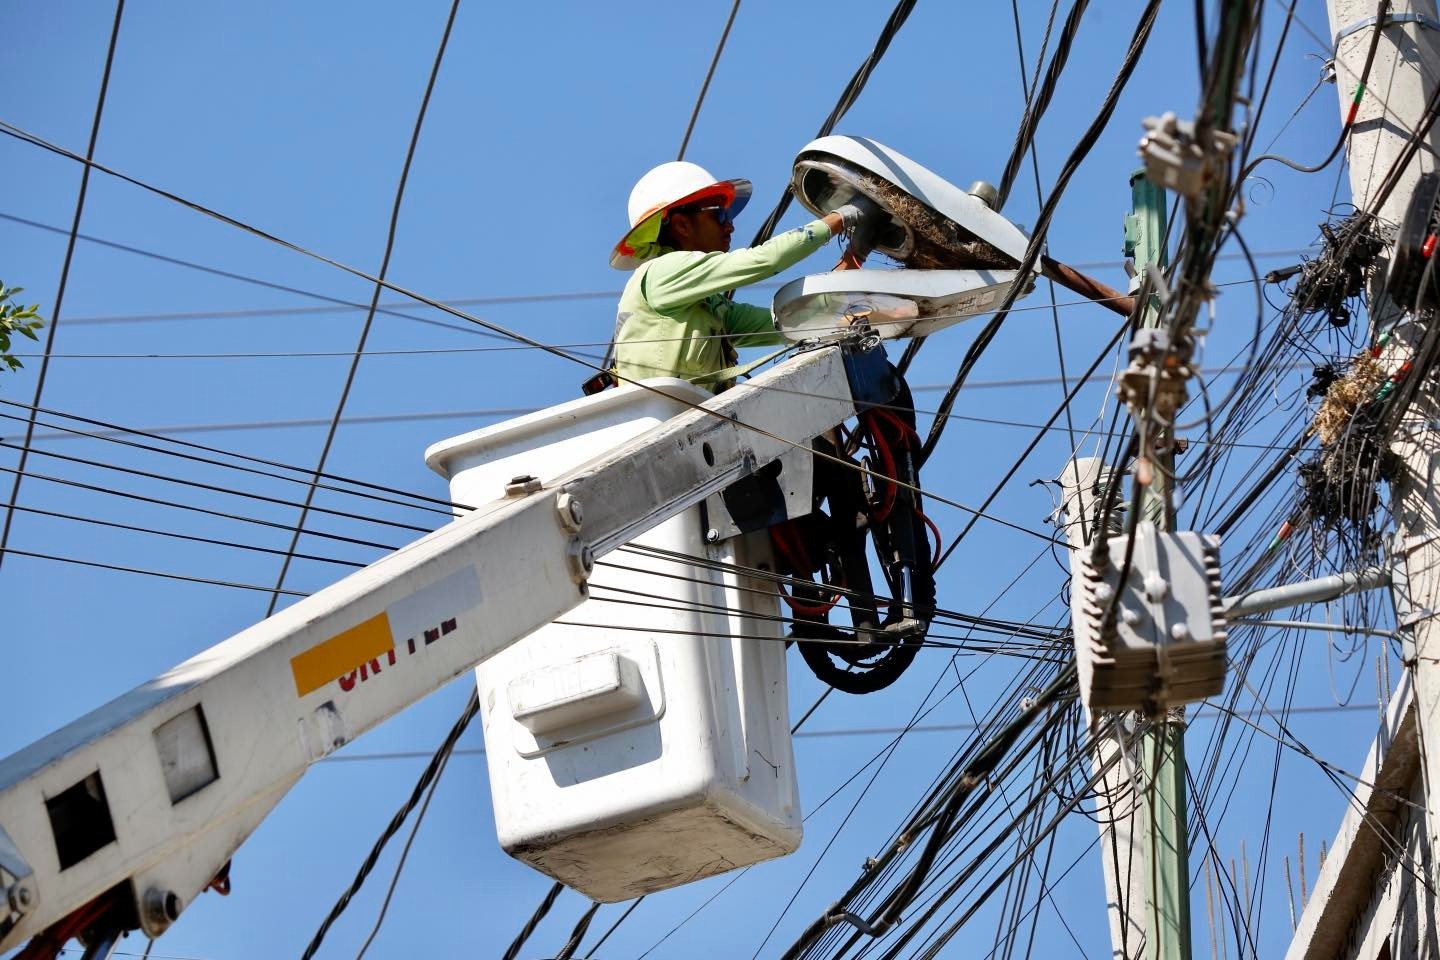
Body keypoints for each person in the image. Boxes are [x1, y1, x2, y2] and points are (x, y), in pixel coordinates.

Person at [607, 160, 873, 390]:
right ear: (681, 225)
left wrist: (855, 254)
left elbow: (793, 321)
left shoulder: (708, 310)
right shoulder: (661, 274)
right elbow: (765, 260)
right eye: (720, 214)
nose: (730, 225)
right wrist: (844, 216)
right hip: (660, 423)